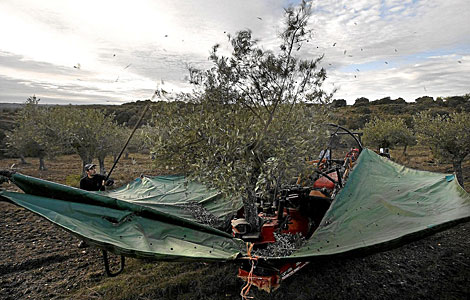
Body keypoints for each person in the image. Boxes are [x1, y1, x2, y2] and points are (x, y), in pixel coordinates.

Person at [77, 163, 114, 248]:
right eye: (91, 169)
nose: (94, 170)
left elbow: (110, 181)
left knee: (104, 221)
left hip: (101, 203)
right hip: (90, 204)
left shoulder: (100, 177)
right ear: (87, 172)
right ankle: (85, 240)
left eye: (94, 168)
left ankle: (107, 239)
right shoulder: (83, 181)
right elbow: (83, 194)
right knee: (87, 222)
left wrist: (107, 183)